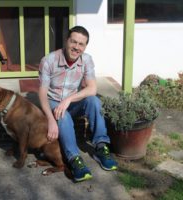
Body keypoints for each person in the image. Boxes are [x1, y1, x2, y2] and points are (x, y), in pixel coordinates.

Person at [38, 26, 117, 182]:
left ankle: (101, 147)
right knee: (63, 115)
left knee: (93, 101)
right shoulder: (48, 61)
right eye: (73, 42)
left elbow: (92, 88)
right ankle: (74, 159)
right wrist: (50, 119)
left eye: (81, 44)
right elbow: (42, 93)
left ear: (85, 46)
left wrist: (68, 100)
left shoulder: (86, 59)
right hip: (53, 102)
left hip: (71, 102)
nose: (76, 47)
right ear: (66, 41)